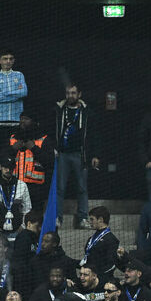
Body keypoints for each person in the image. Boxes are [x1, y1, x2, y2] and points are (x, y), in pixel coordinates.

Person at [54, 84, 101, 229]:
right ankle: (57, 218)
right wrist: (53, 148)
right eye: (68, 93)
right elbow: (52, 130)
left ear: (79, 94)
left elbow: (94, 134)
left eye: (73, 93)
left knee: (82, 188)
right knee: (60, 187)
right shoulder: (59, 109)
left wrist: (95, 155)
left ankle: (83, 218)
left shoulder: (87, 112)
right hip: (62, 154)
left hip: (81, 155)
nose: (70, 96)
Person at [0, 48, 27, 122]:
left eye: (11, 59)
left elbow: (23, 93)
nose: (8, 61)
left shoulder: (19, 75)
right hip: (0, 118)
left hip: (17, 118)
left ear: (14, 61)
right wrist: (15, 95)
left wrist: (3, 93)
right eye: (5, 59)